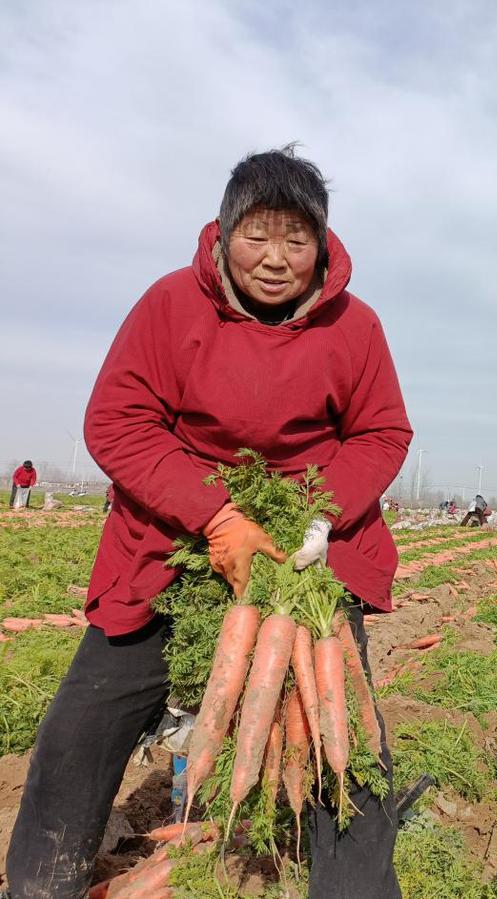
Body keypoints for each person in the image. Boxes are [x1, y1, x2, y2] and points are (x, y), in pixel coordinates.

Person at [6, 147, 411, 898]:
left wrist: (321, 519)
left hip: (305, 563)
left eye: (297, 239)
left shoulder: (355, 328)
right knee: (80, 732)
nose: (276, 258)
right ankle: (39, 884)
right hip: (172, 547)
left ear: (322, 247)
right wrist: (216, 517)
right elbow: (119, 422)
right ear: (223, 233)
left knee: (337, 738)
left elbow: (383, 432)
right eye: (258, 234)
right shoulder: (169, 305)